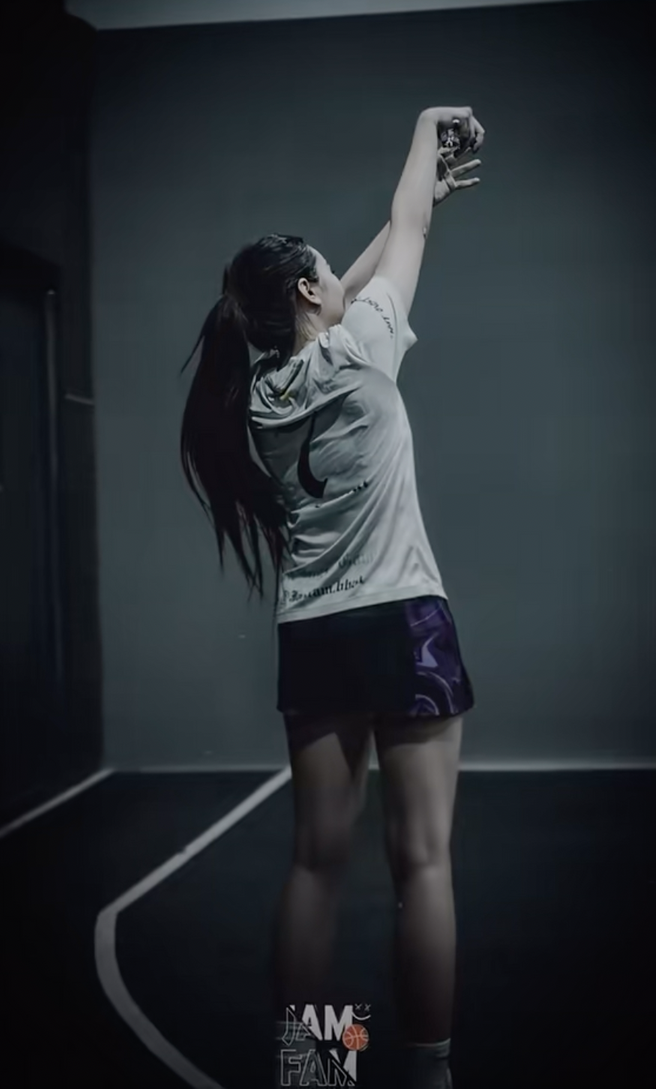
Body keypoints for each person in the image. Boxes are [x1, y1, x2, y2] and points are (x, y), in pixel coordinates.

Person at [180, 105, 485, 1089]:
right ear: (311, 292)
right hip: (404, 622)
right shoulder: (364, 348)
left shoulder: (258, 397)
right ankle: (427, 1074)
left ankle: (317, 1074)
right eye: (323, 272)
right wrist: (427, 131)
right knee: (422, 864)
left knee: (316, 867)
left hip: (314, 633)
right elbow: (407, 230)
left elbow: (356, 274)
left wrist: (411, 209)